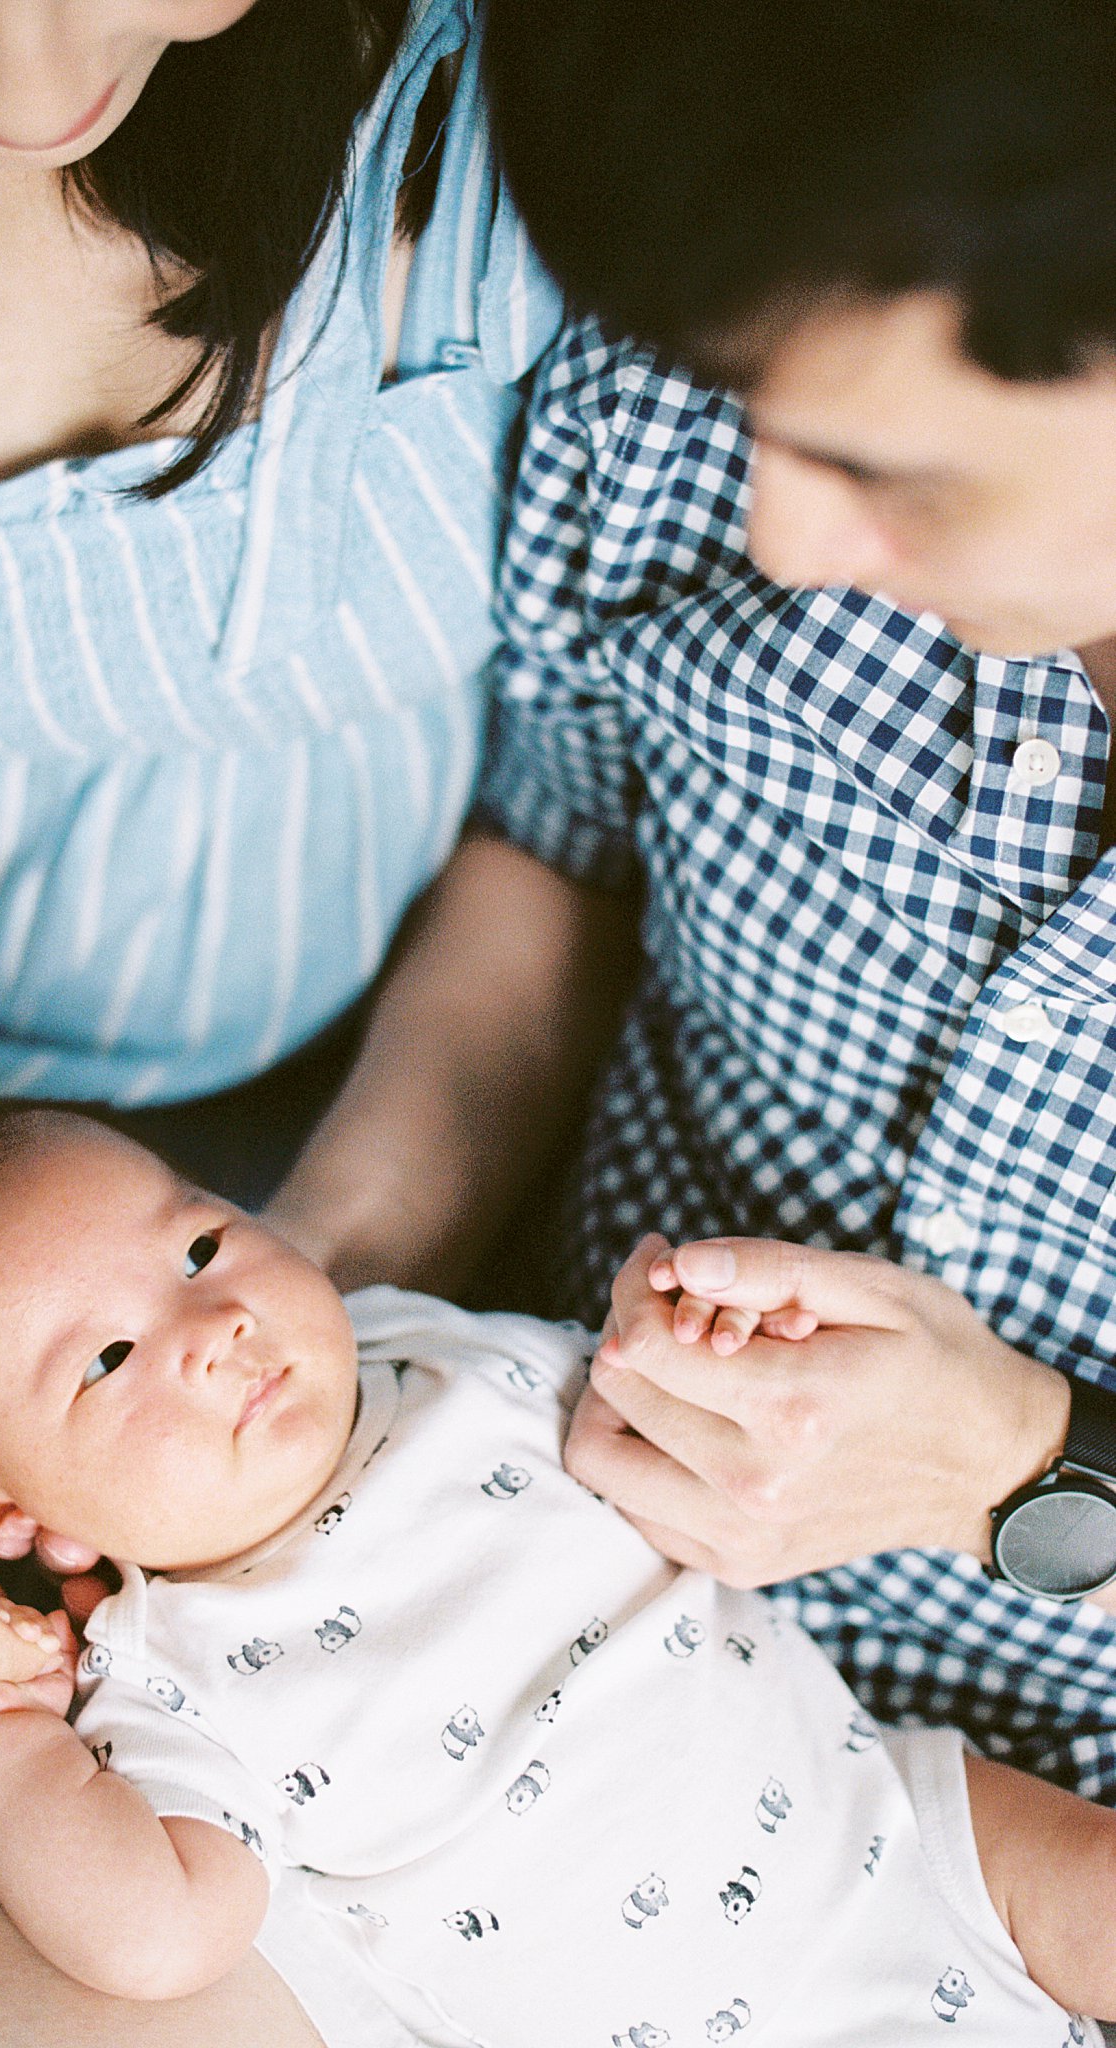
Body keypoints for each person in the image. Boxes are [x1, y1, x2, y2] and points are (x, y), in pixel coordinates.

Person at [0, 3, 628, 2041]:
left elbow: (569, 821)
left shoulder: (495, 105)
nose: (30, 72)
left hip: (310, 1175)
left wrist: (320, 1303)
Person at [0, 1097, 1112, 2044]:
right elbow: (158, 1939)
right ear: (14, 1514)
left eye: (199, 1246)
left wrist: (696, 1334)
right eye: (105, 1361)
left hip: (904, 1850)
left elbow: (655, 1418)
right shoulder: (161, 1670)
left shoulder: (421, 1354)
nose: (213, 1328)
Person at [471, 0, 1116, 1810]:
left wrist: (1029, 1473)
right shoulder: (702, 340)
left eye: (885, 474)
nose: (778, 535)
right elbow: (556, 847)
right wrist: (334, 1264)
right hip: (526, 1569)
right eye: (759, 416)